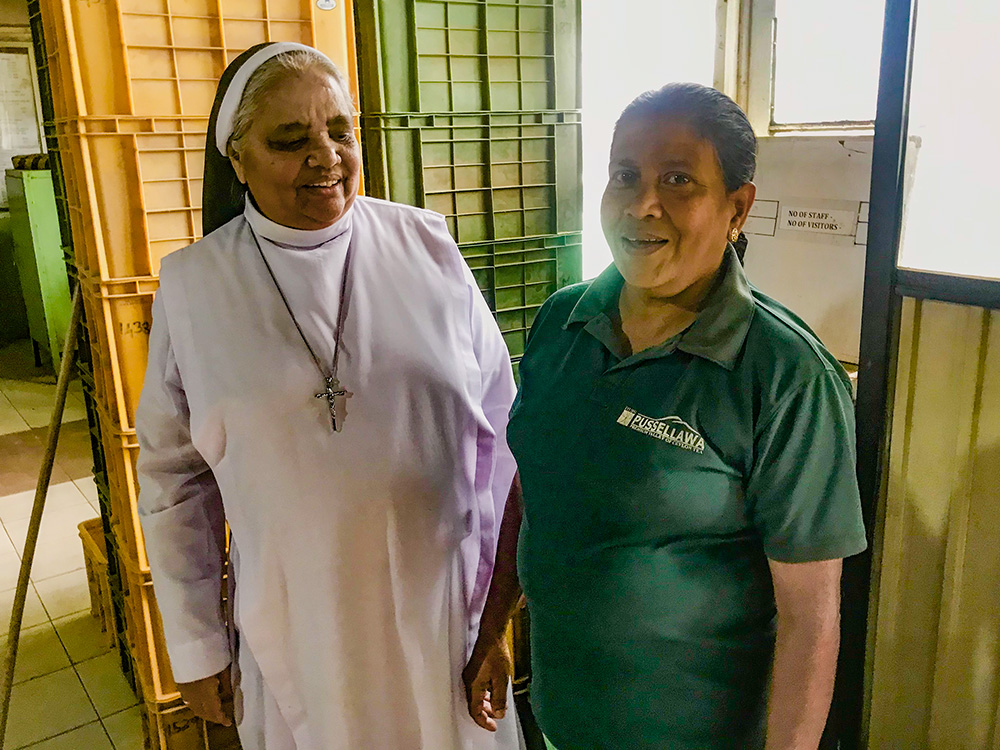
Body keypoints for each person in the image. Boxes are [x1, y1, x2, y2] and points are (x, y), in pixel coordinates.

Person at [136, 42, 521, 750]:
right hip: (299, 629)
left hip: (445, 618)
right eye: (290, 139)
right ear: (237, 158)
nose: (326, 157)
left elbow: (502, 435)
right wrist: (195, 646)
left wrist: (495, 618)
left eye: (339, 130)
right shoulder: (193, 289)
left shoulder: (428, 245)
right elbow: (171, 482)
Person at [463, 83, 868, 749]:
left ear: (738, 207)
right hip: (565, 723)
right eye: (625, 175)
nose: (643, 203)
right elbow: (532, 484)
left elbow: (810, 620)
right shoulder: (564, 322)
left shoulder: (783, 374)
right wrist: (495, 628)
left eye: (678, 179)